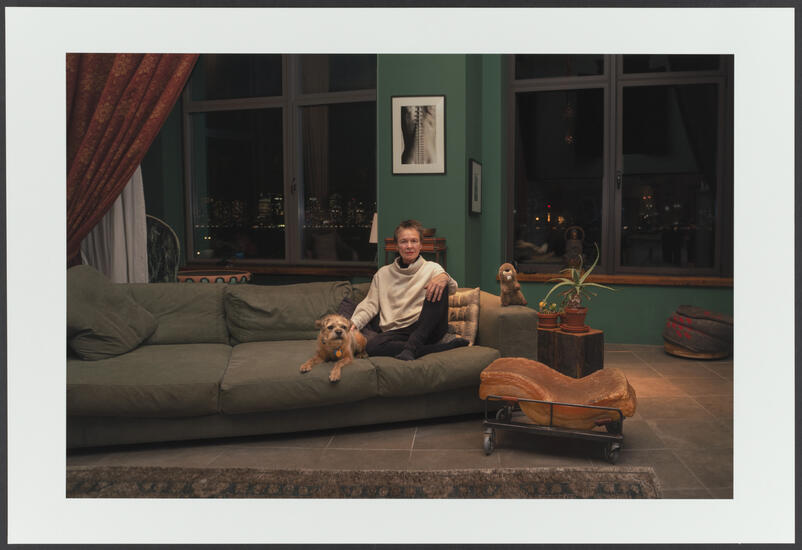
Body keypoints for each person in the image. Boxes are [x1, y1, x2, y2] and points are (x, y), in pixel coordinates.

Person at [350, 219, 468, 361]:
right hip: (398, 332)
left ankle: (412, 347)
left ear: (421, 245)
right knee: (372, 346)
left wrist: (445, 277)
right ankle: (441, 348)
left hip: (427, 327)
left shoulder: (432, 268)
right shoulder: (382, 274)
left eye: (414, 241)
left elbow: (453, 289)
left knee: (441, 284)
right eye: (404, 241)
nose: (409, 246)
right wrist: (354, 323)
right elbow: (370, 304)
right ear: (396, 246)